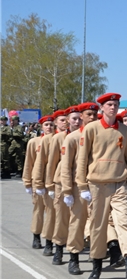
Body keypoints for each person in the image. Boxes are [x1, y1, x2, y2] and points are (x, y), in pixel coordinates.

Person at [76, 92, 127, 279]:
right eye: (109, 104)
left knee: (124, 222)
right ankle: (97, 266)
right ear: (102, 108)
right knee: (98, 227)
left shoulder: (125, 131)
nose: (113, 107)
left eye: (115, 104)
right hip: (97, 185)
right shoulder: (91, 129)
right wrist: (82, 185)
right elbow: (82, 158)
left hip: (119, 185)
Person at [61, 102, 99, 274]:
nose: (92, 117)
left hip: (99, 185)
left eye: (94, 114)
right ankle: (74, 257)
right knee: (77, 222)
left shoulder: (101, 135)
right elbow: (66, 166)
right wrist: (67, 190)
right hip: (79, 186)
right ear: (81, 116)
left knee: (98, 223)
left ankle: (97, 256)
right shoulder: (73, 137)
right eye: (89, 114)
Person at [46, 105, 83, 265]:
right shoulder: (58, 138)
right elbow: (51, 162)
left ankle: (74, 256)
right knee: (61, 219)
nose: (77, 121)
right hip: (61, 183)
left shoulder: (86, 136)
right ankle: (59, 248)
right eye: (74, 118)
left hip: (80, 183)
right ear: (67, 120)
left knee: (77, 221)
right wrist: (48, 185)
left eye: (79, 118)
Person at [34, 109, 66, 256]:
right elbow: (41, 163)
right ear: (56, 123)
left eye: (66, 119)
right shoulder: (48, 139)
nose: (65, 122)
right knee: (52, 214)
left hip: (69, 182)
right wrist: (40, 184)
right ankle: (49, 242)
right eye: (62, 120)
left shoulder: (72, 136)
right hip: (52, 182)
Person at [23, 115, 55, 249]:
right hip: (38, 181)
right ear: (42, 127)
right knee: (38, 210)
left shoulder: (57, 140)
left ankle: (49, 239)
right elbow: (29, 163)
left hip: (52, 181)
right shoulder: (34, 142)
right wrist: (27, 182)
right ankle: (36, 236)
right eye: (46, 124)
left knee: (52, 212)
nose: (49, 127)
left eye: (51, 124)